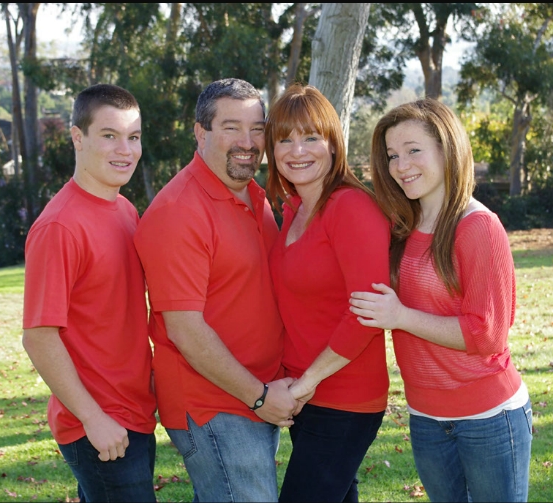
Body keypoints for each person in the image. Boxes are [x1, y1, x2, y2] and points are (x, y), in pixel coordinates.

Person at [349, 99, 532, 502]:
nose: (401, 166)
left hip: (488, 417)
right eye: (392, 155)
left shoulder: (478, 226)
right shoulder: (401, 227)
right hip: (425, 417)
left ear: (447, 149)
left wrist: (400, 316)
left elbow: (488, 334)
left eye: (414, 150)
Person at [133, 78, 298, 503]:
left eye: (257, 128)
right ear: (200, 132)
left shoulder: (253, 195)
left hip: (256, 395)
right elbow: (186, 331)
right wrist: (259, 398)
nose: (247, 142)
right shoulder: (179, 212)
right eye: (231, 127)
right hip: (215, 406)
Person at [22, 84, 157, 502]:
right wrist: (93, 419)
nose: (125, 150)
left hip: (133, 413)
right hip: (98, 423)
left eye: (133, 137)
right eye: (109, 135)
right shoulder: (59, 227)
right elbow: (39, 337)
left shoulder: (125, 210)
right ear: (78, 138)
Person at [264, 84, 391, 502]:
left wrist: (306, 382)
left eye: (311, 137)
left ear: (334, 144)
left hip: (343, 398)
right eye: (284, 139)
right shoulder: (294, 209)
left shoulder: (351, 207)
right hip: (304, 396)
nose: (297, 150)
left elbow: (366, 314)